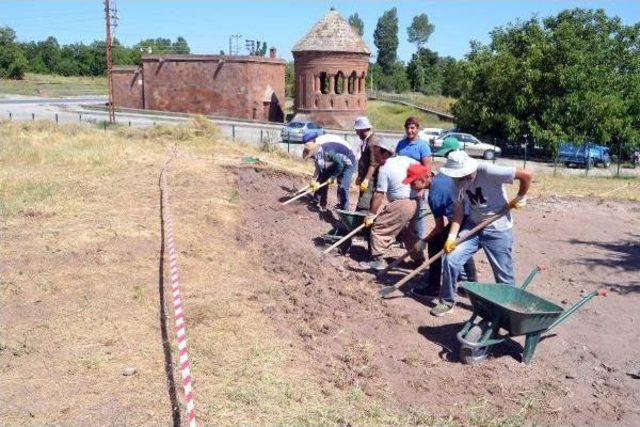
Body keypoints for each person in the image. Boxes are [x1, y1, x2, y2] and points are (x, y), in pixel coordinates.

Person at [431, 150, 533, 316]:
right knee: (451, 259)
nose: (461, 180)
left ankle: (508, 310)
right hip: (473, 226)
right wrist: (451, 236)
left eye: (463, 176)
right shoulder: (455, 182)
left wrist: (521, 196)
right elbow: (458, 209)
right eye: (458, 177)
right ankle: (447, 301)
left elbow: (526, 175)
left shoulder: (488, 171)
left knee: (504, 275)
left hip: (498, 229)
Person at [409, 137, 477, 299]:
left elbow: (439, 227)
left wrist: (424, 241)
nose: (411, 186)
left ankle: (433, 287)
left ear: (423, 179)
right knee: (461, 245)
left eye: (413, 183)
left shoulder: (433, 195)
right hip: (471, 214)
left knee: (435, 244)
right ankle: (471, 283)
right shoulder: (444, 176)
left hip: (462, 218)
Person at [360, 138, 421, 270]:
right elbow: (423, 174)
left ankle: (377, 260)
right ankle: (419, 259)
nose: (375, 158)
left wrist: (370, 215)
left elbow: (379, 195)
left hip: (401, 204)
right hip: (416, 202)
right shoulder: (406, 160)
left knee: (379, 229)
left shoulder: (385, 168)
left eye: (376, 154)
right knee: (408, 233)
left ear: (385, 153)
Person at [396, 117, 432, 240]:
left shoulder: (423, 146)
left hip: (417, 184)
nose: (410, 130)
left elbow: (427, 169)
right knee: (404, 208)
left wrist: (423, 188)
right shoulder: (401, 144)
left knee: (419, 211)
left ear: (417, 129)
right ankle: (405, 237)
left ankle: (418, 238)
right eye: (408, 128)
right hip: (404, 182)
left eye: (412, 128)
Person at [302, 131, 356, 211]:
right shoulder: (317, 152)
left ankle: (344, 210)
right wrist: (313, 180)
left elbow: (340, 165)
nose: (311, 158)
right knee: (323, 177)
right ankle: (321, 203)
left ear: (313, 152)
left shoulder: (327, 152)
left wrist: (332, 178)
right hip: (337, 162)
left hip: (348, 163)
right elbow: (319, 167)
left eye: (311, 156)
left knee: (343, 186)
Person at [353, 116, 379, 211]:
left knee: (364, 204)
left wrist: (366, 180)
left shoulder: (373, 141)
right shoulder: (365, 141)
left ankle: (362, 224)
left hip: (371, 179)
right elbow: (363, 161)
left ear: (363, 129)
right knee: (362, 201)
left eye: (357, 130)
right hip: (365, 178)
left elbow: (373, 163)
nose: (356, 133)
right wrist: (360, 177)